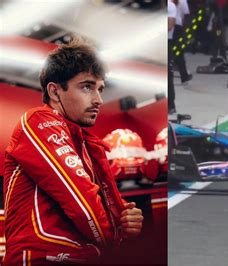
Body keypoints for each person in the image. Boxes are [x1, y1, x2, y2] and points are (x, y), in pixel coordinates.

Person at [2, 39, 143, 264]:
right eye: (86, 86)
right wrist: (114, 240)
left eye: (100, 89)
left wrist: (125, 221)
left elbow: (104, 212)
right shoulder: (39, 121)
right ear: (55, 92)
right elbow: (84, 205)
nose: (98, 100)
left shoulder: (85, 144)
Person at [173, 0, 193, 84]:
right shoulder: (183, 1)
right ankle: (184, 76)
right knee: (178, 51)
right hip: (177, 24)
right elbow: (186, 14)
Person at [168, 0, 177, 114]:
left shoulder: (170, 5)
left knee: (169, 75)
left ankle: (171, 105)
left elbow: (170, 25)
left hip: (167, 41)